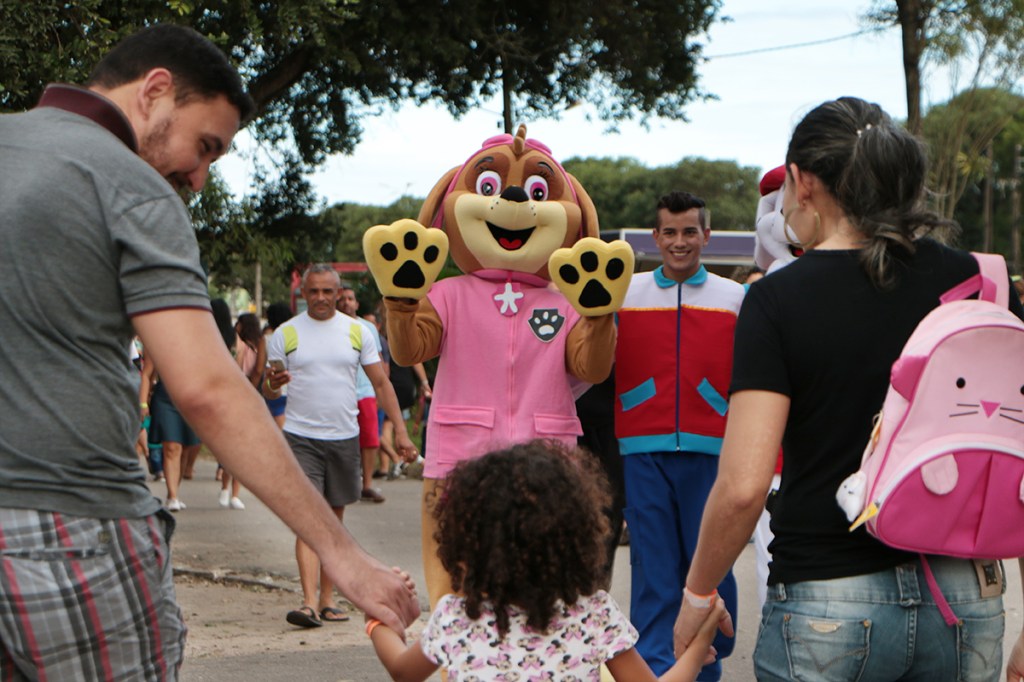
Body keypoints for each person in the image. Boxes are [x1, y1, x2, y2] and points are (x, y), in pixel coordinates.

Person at [0, 24, 418, 680]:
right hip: (75, 532)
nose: (196, 176)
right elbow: (208, 389)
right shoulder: (128, 185)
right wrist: (342, 554)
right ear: (155, 91)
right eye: (205, 146)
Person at [673, 96, 1024, 681]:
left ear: (803, 181)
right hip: (964, 598)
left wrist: (698, 596)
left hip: (827, 599)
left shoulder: (778, 300)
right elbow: (1013, 459)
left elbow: (743, 486)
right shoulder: (979, 282)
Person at [365, 440, 729, 682]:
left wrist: (377, 619)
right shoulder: (593, 615)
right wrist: (698, 645)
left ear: (469, 545)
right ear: (576, 542)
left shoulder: (457, 619)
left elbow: (401, 670)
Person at [613, 191, 743, 680]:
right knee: (653, 569)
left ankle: (705, 668)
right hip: (642, 448)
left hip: (712, 450)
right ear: (655, 237)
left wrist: (716, 402)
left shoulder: (735, 298)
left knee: (709, 566)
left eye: (690, 231)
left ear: (707, 235)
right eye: (670, 232)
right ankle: (652, 669)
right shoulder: (624, 291)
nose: (680, 241)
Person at [264, 264, 417, 628]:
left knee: (333, 522)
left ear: (338, 293)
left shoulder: (357, 332)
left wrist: (401, 430)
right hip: (301, 438)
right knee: (308, 521)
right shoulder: (285, 335)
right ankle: (307, 603)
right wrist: (273, 382)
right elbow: (268, 390)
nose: (319, 298)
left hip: (343, 438)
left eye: (326, 292)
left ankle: (329, 600)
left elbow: (381, 384)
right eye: (313, 291)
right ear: (304, 294)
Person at [337, 282, 387, 503]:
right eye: (342, 298)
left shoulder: (367, 328)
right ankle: (344, 484)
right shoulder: (331, 326)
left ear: (356, 303)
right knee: (341, 440)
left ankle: (366, 485)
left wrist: (382, 391)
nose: (346, 302)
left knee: (370, 440)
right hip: (339, 392)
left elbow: (380, 361)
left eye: (350, 298)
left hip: (365, 391)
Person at [263, 301, 293, 428]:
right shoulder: (294, 337)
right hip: (294, 391)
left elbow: (260, 368)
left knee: (281, 436)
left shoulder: (266, 338)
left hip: (276, 389)